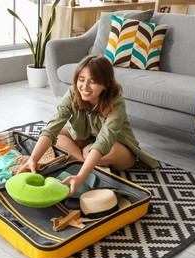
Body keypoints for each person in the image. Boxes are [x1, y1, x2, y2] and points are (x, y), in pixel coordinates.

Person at [17, 55, 159, 196]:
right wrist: (33, 159)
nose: (84, 87)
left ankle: (82, 163)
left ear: (105, 84)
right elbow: (53, 125)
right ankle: (82, 163)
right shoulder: (74, 92)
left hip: (116, 145)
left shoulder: (116, 102)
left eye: (92, 82)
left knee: (90, 151)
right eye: (81, 79)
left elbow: (104, 141)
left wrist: (81, 177)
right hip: (85, 139)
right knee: (57, 134)